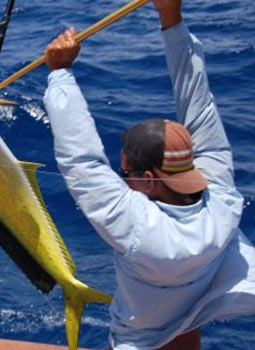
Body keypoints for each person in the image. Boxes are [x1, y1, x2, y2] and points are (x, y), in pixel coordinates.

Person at [42, 0, 255, 349]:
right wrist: (171, 16)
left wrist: (60, 73)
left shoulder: (141, 230)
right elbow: (198, 102)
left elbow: (81, 159)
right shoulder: (222, 195)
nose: (122, 177)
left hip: (139, 340)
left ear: (151, 180)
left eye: (126, 172)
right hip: (191, 318)